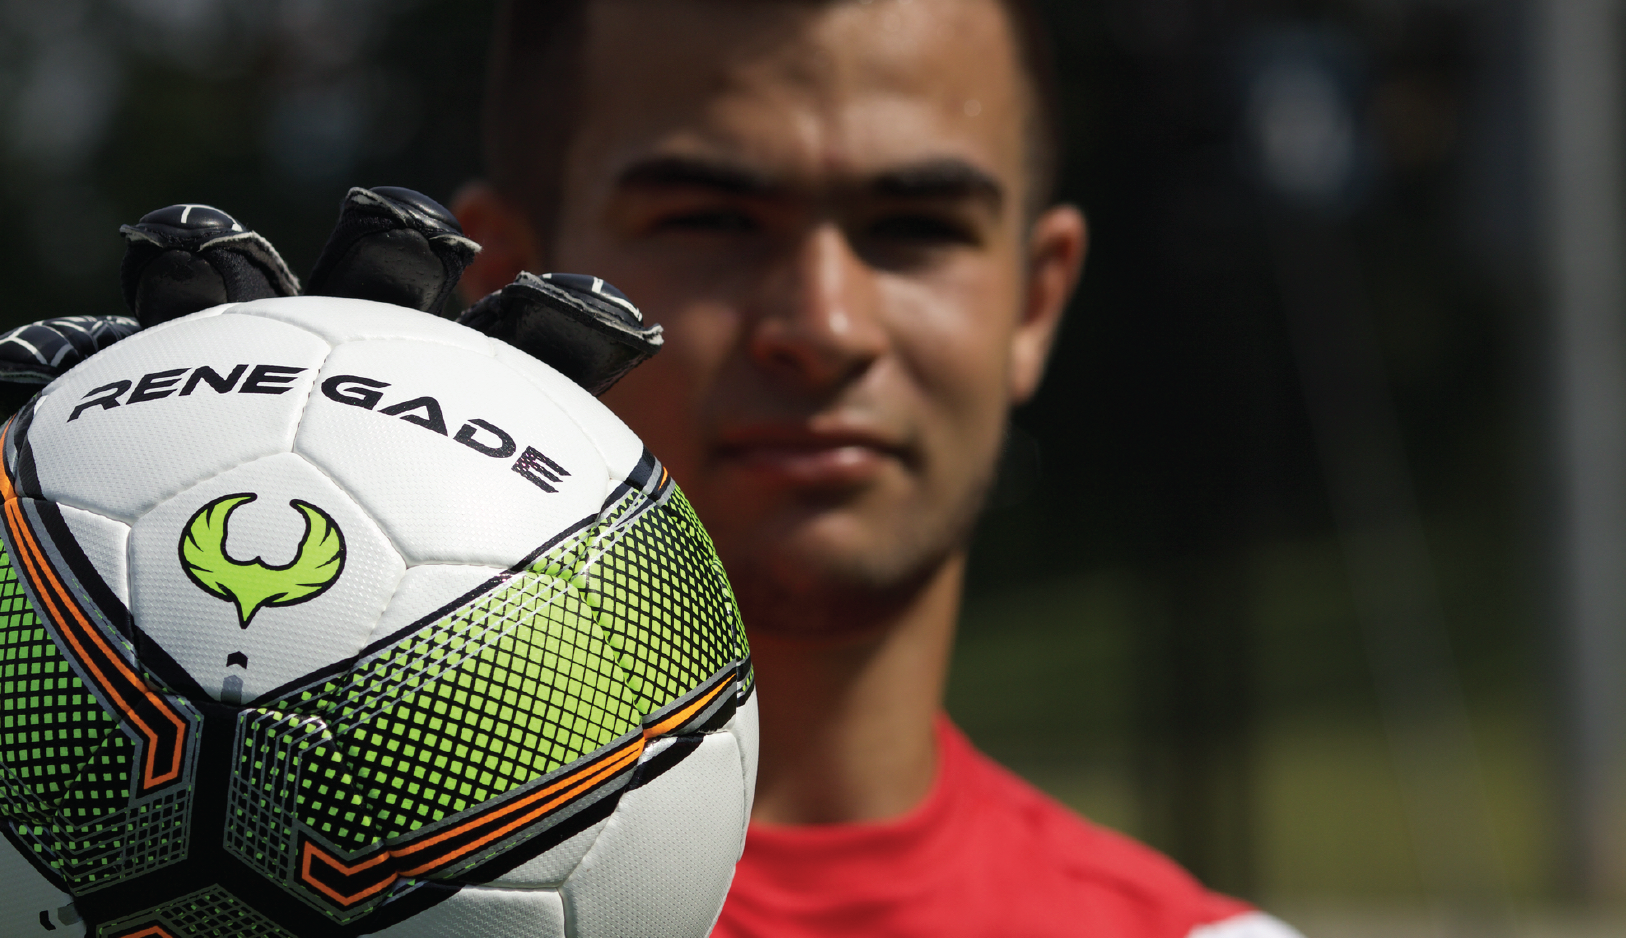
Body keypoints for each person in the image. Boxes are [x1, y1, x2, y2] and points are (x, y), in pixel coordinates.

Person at [450, 0, 1305, 935]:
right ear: (509, 284)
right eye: (713, 219)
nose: (826, 327)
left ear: (1035, 302)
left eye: (916, 227)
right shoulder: (343, 890)